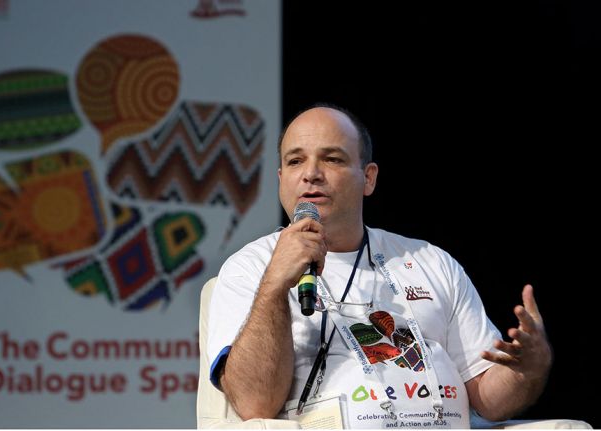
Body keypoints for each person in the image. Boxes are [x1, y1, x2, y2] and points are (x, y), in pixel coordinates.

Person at [206, 104, 552, 428]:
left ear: (368, 178)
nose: (310, 174)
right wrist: (275, 286)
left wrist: (528, 369)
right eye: (296, 161)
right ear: (281, 179)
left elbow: (489, 398)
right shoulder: (250, 268)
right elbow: (255, 406)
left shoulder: (430, 261)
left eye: (332, 159)